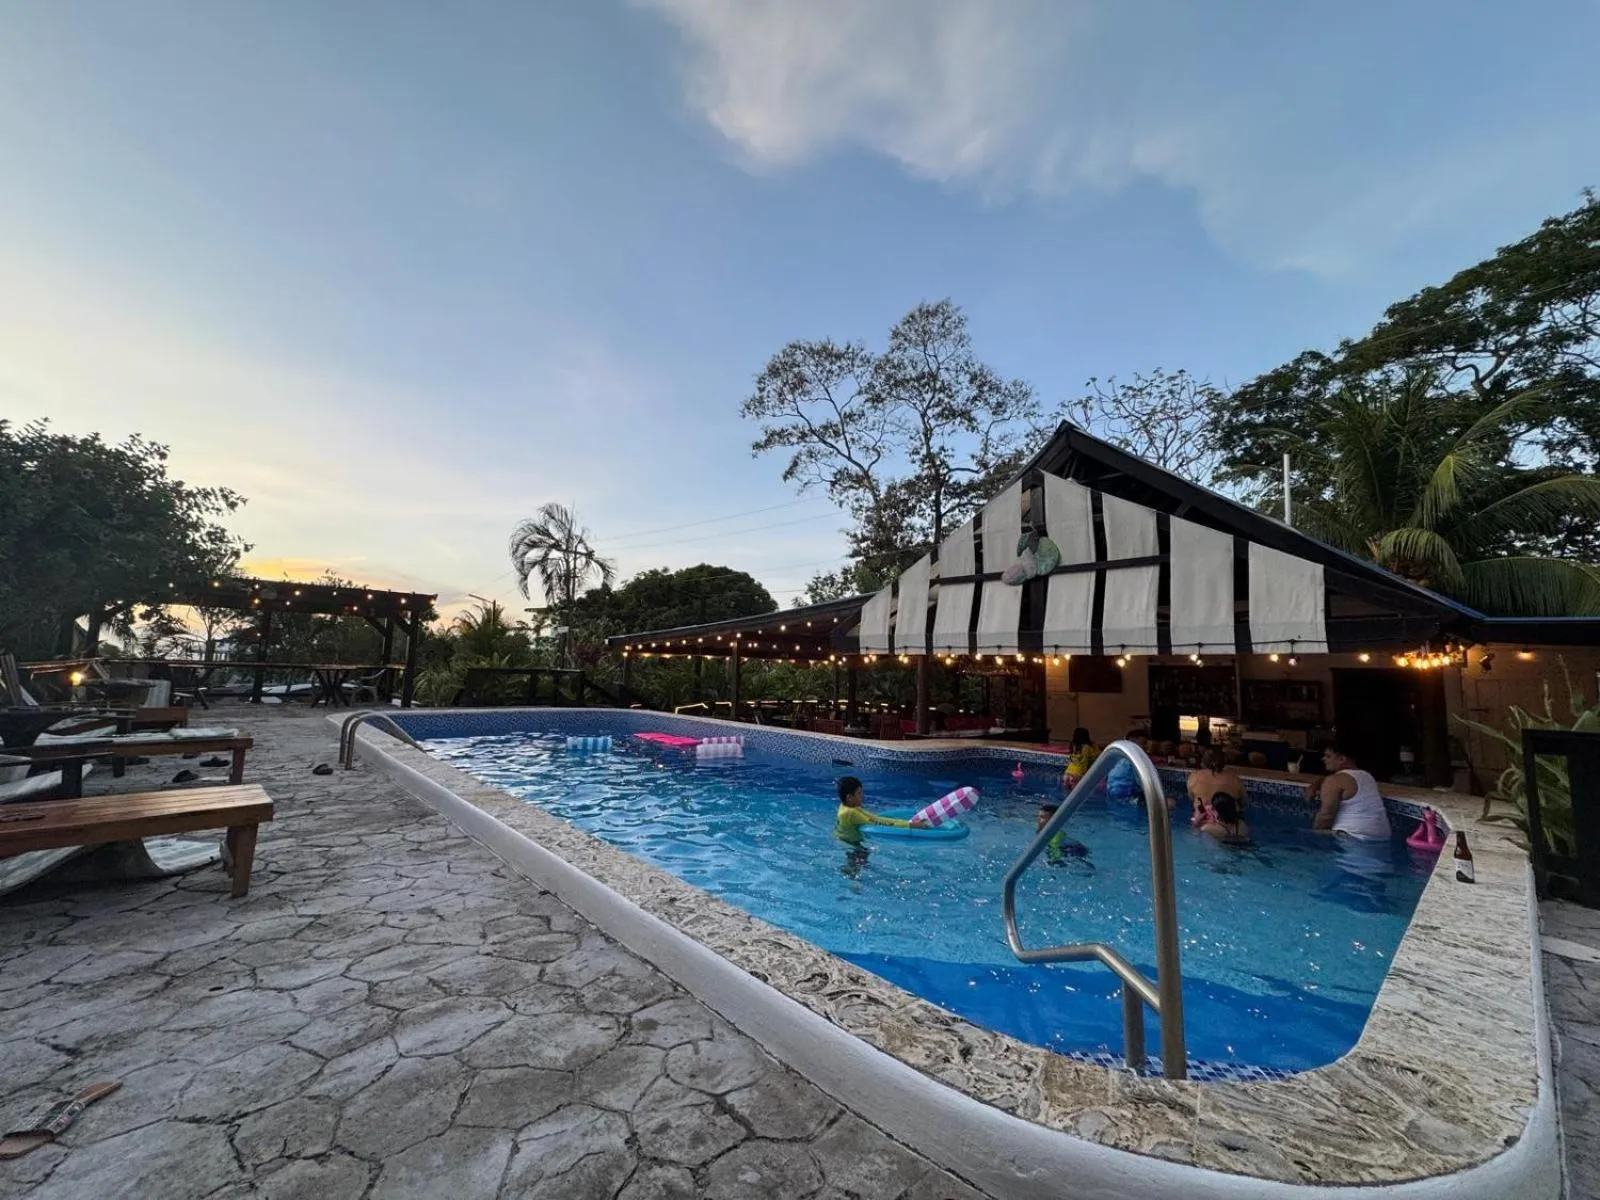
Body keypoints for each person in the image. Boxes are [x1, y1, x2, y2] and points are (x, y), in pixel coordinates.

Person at [1308, 742, 1391, 840]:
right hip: (1382, 836)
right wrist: (1315, 785)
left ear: (1342, 759)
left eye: (1328, 756)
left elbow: (1326, 817)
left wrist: (1313, 838)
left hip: (1351, 836)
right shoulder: (1367, 776)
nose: (1323, 759)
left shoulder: (1333, 781)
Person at [834, 776, 925, 843]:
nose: (863, 796)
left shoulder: (846, 806)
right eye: (859, 793)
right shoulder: (850, 813)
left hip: (845, 838)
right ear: (849, 797)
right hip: (852, 844)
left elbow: (873, 817)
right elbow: (879, 822)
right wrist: (910, 825)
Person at [1187, 747, 1246, 827]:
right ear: (1223, 762)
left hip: (1201, 822)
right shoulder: (1235, 780)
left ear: (1203, 762)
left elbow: (1191, 798)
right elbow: (1243, 804)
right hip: (1227, 824)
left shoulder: (1194, 777)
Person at [1036, 803, 1093, 867]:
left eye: (1042, 817)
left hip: (1074, 850)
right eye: (1038, 816)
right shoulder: (1051, 833)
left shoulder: (1054, 837)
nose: (1038, 820)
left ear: (1053, 820)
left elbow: (1056, 859)